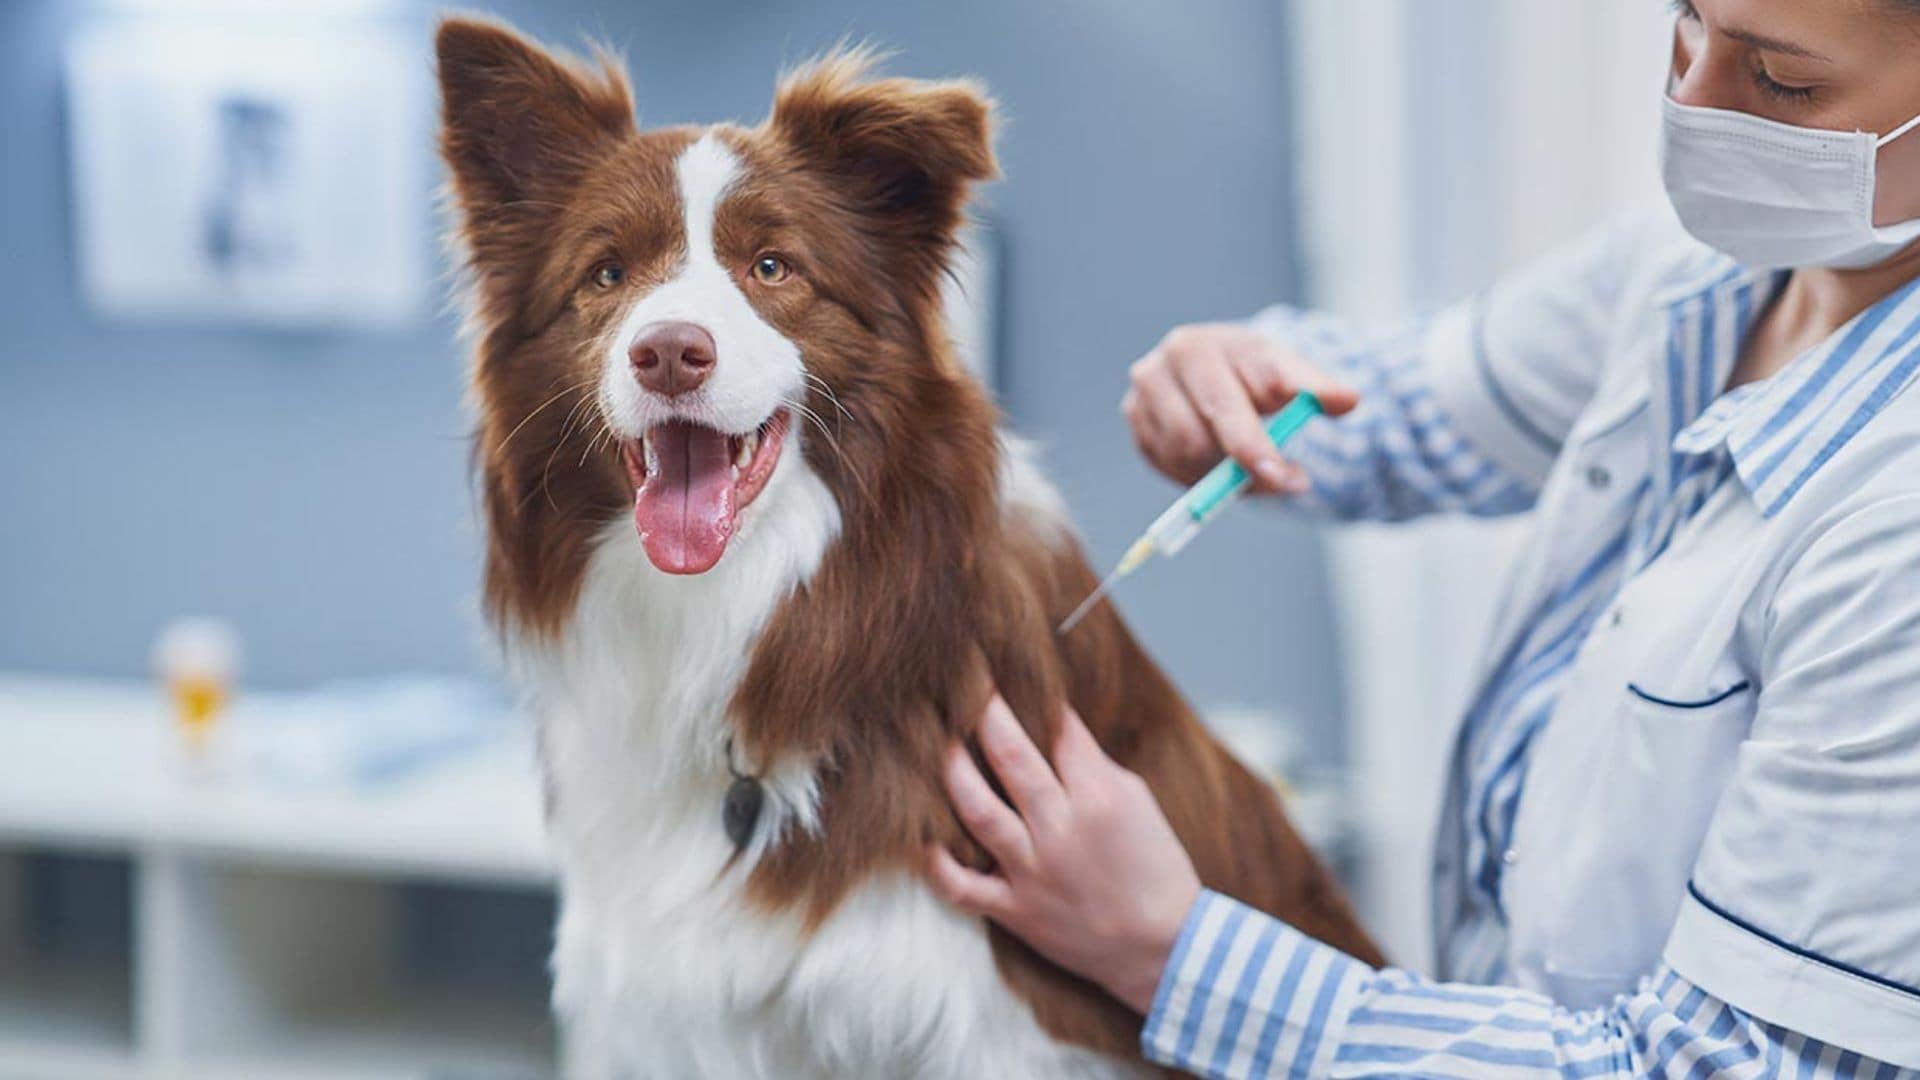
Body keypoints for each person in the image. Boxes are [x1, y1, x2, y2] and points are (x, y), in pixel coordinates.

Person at [926, 1, 1920, 1075]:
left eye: (1779, 81)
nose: (1691, 98)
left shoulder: (1896, 530)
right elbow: (1409, 404)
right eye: (1688, 23)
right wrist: (1241, 383)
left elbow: (1712, 1065)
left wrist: (1171, 953)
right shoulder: (1705, 272)